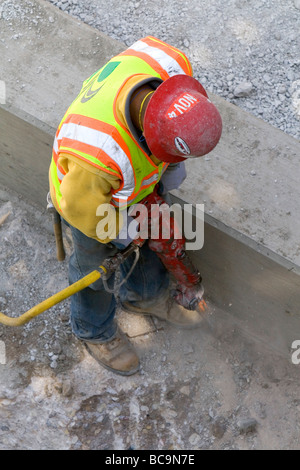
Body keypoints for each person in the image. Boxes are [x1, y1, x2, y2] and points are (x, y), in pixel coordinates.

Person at [48, 36, 222, 376]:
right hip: (86, 200)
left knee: (152, 237)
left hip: (131, 178)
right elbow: (82, 213)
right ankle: (94, 330)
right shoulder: (98, 155)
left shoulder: (171, 65)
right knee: (94, 268)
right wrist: (124, 230)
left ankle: (145, 296)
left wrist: (169, 167)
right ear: (150, 133)